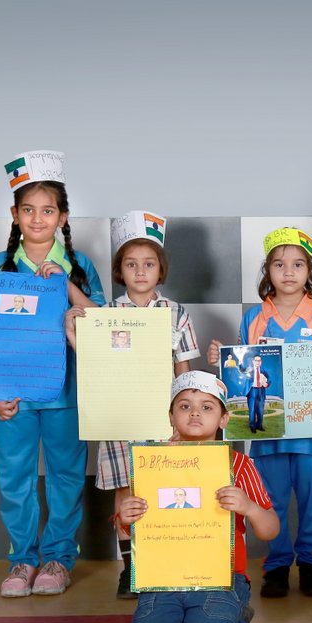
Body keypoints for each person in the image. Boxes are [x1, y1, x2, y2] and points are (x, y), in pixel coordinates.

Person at [0, 150, 103, 597]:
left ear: (62, 216)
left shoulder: (79, 267)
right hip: (11, 398)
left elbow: (101, 323)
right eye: (28, 210)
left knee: (64, 476)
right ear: (14, 215)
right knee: (15, 479)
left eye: (47, 210)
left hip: (66, 392)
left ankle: (58, 560)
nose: (37, 219)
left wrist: (63, 282)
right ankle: (22, 560)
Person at [208, 227, 312, 599]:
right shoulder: (254, 317)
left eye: (297, 264)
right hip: (266, 436)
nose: (288, 272)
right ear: (268, 270)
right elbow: (240, 371)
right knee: (270, 498)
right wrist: (220, 360)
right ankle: (276, 566)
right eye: (279, 264)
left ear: (309, 271)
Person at [66, 209, 201, 599]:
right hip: (121, 418)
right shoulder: (108, 316)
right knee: (125, 491)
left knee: (164, 488)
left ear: (161, 270)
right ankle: (131, 566)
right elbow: (95, 363)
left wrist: (184, 416)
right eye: (131, 264)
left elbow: (184, 369)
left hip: (162, 419)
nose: (140, 272)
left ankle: (164, 561)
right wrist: (75, 330)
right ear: (119, 271)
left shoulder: (176, 314)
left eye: (148, 264)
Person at [120, 372, 279, 623]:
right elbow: (136, 529)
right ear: (170, 416)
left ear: (223, 419)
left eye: (207, 407)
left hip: (221, 577)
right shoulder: (150, 464)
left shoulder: (239, 465)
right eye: (184, 406)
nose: (195, 413)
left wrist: (250, 508)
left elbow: (270, 530)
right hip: (164, 577)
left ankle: (238, 618)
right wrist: (126, 519)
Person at [242, 354, 271, 433]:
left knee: (260, 410)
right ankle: (252, 426)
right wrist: (239, 361)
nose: (258, 362)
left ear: (261, 362)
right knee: (252, 410)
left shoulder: (263, 370)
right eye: (256, 360)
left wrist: (267, 383)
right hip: (252, 391)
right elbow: (242, 369)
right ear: (253, 361)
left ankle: (259, 425)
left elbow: (269, 378)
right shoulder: (249, 369)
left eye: (259, 360)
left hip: (261, 391)